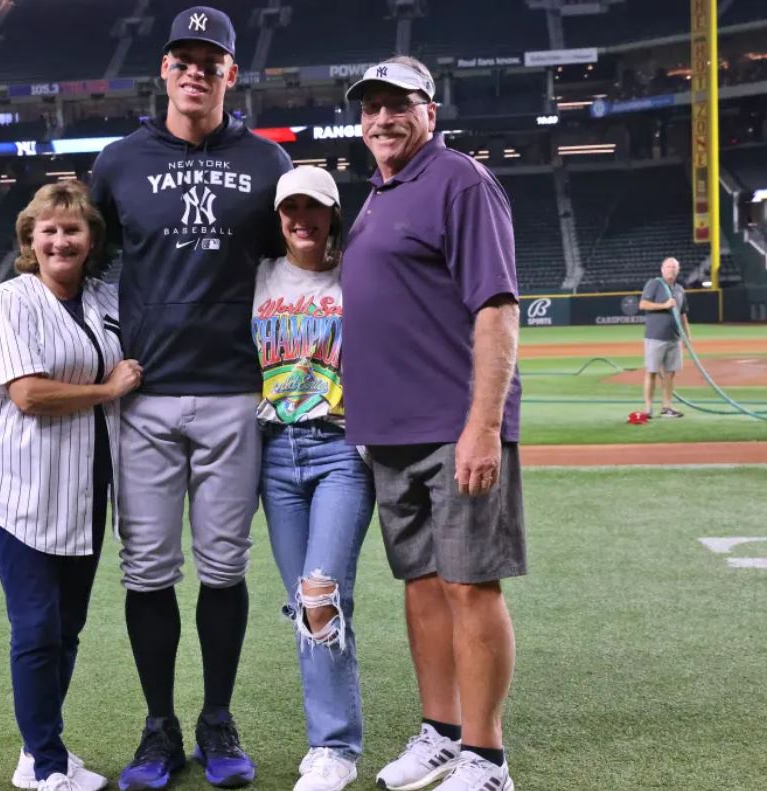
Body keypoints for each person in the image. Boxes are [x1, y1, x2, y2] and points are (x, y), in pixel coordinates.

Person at [89, 6, 293, 790]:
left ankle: (215, 716)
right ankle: (157, 727)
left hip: (235, 392)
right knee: (146, 570)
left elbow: (297, 266)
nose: (195, 70)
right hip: (142, 394)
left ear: (231, 73)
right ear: (165, 71)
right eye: (184, 57)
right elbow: (81, 253)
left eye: (211, 60)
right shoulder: (117, 162)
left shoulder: (269, 165)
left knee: (221, 567)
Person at [341, 56, 526, 791]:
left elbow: (496, 308)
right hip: (389, 433)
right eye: (370, 108)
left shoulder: (459, 180)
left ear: (430, 111)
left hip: (453, 426)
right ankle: (441, 733)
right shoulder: (378, 194)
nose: (382, 119)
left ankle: (486, 757)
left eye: (398, 105)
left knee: (470, 586)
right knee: (420, 585)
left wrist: (482, 425)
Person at [0, 182, 143, 791]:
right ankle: (46, 766)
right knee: (38, 627)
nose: (60, 239)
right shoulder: (10, 300)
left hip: (84, 490)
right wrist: (106, 390)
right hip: (19, 492)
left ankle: (36, 747)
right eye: (47, 229)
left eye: (72, 229)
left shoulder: (104, 299)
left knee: (66, 629)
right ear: (30, 239)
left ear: (91, 239)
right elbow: (27, 394)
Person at [252, 167, 374, 791]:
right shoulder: (260, 277)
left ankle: (335, 749)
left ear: (333, 213)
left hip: (339, 452)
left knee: (322, 595)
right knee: (306, 603)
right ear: (278, 216)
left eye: (315, 208)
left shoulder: (358, 273)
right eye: (290, 208)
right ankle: (328, 743)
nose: (302, 219)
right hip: (273, 453)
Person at [639, 256, 691, 418]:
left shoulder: (680, 289)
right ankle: (648, 409)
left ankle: (667, 407)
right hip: (656, 337)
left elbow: (682, 314)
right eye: (668, 267)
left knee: (670, 373)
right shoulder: (654, 284)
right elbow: (643, 305)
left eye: (674, 267)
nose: (671, 270)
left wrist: (687, 336)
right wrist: (664, 305)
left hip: (674, 338)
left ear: (678, 270)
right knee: (652, 372)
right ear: (662, 269)